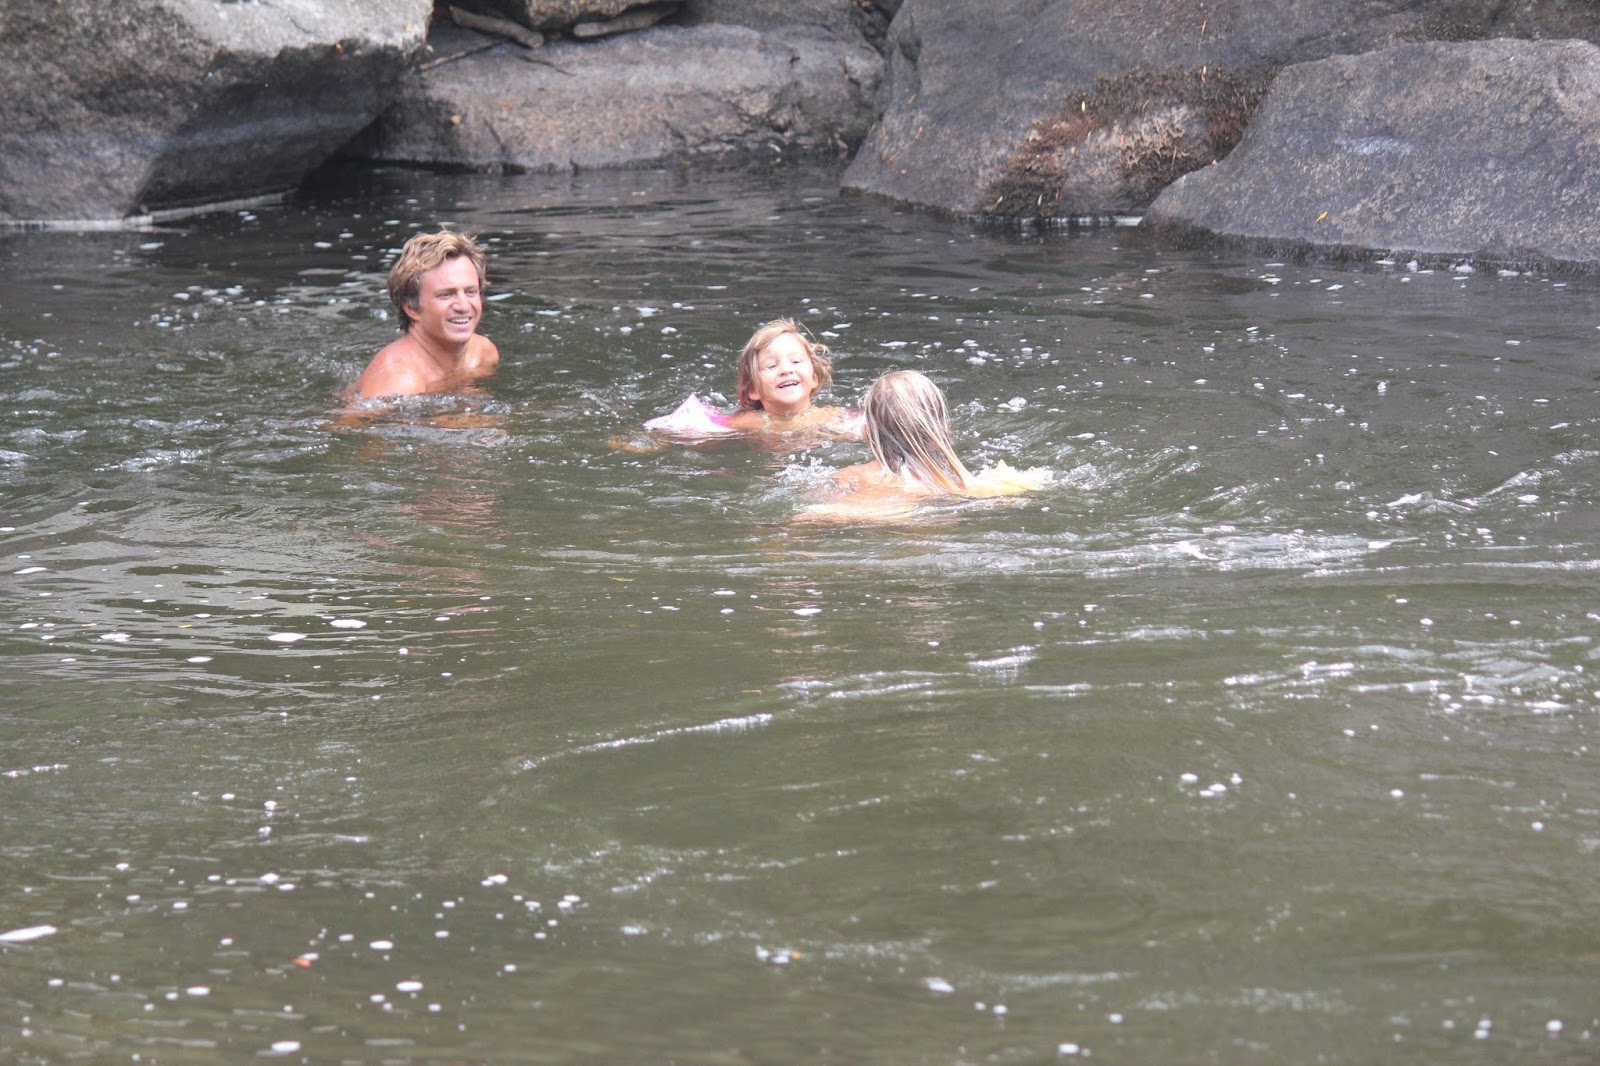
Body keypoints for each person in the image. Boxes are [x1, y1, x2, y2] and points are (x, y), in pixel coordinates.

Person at [806, 370, 1050, 521]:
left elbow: (819, 513)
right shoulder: (969, 485)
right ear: (942, 429)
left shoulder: (853, 476)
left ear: (868, 433)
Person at [344, 230, 500, 402]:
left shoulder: (483, 354)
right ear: (412, 308)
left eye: (471, 292)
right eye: (446, 295)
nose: (463, 306)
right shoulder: (400, 383)